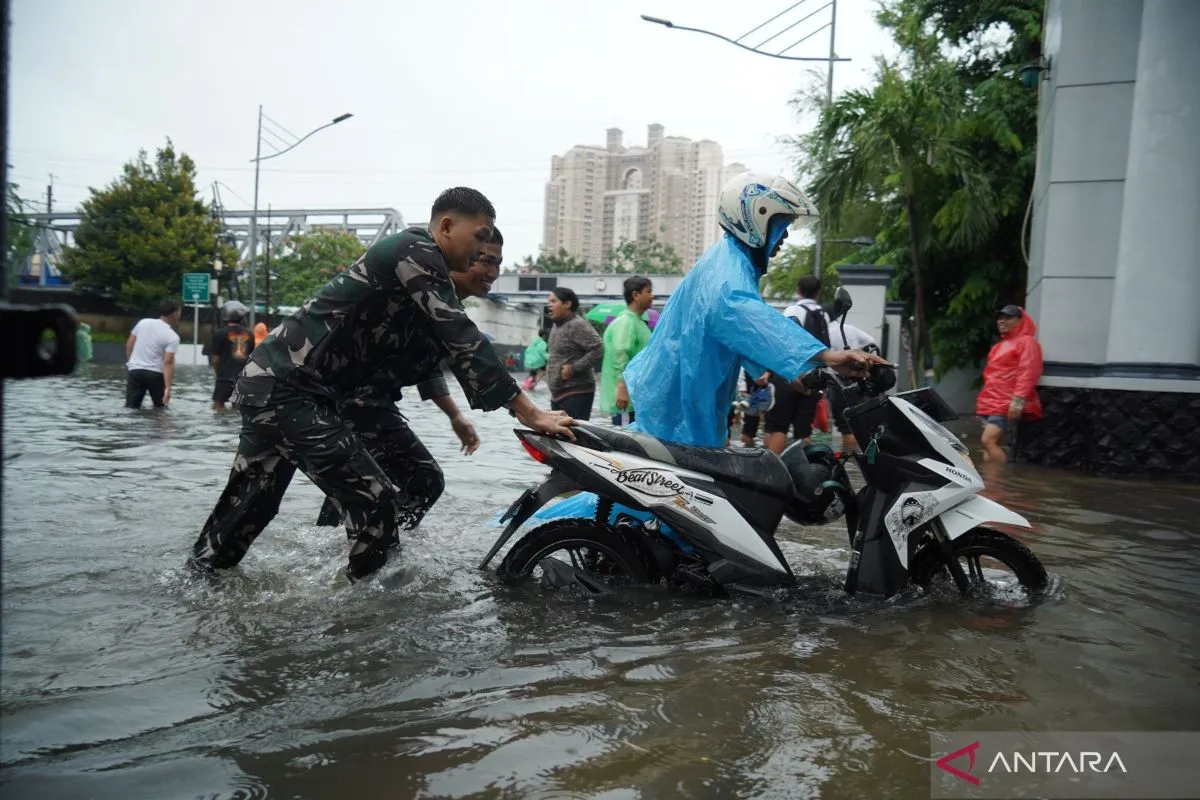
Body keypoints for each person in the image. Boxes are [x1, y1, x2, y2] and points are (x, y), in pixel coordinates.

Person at [189, 188, 574, 583]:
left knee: (251, 505)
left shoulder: (422, 267)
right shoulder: (415, 249)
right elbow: (461, 336)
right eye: (478, 237)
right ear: (446, 226)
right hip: (289, 388)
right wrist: (531, 412)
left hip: (293, 389)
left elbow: (453, 349)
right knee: (374, 501)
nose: (481, 253)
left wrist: (464, 414)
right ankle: (368, 611)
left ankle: (197, 584)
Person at [534, 171, 885, 526]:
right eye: (781, 225)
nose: (785, 237)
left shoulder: (731, 264)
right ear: (757, 221)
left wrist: (797, 371)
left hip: (689, 394)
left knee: (675, 496)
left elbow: (737, 332)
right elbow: (741, 316)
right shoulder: (728, 273)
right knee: (675, 500)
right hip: (682, 399)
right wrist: (826, 355)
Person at [314, 228, 505, 531]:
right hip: (355, 400)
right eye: (483, 260)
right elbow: (471, 355)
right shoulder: (423, 294)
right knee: (424, 480)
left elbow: (426, 365)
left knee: (357, 488)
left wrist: (455, 415)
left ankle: (336, 551)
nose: (492, 273)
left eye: (498, 264)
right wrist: (531, 414)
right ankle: (380, 551)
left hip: (361, 402)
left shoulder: (443, 302)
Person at [763, 275, 831, 453]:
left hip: (789, 374)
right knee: (804, 428)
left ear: (798, 290)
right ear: (818, 292)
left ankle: (770, 470)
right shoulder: (824, 314)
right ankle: (805, 469)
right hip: (814, 377)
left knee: (778, 426)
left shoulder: (793, 310)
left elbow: (781, 341)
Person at [976, 304, 1043, 463]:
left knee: (988, 441)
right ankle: (991, 485)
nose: (1002, 321)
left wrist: (1017, 402)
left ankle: (1002, 481)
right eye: (1000, 317)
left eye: (1008, 317)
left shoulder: (1027, 342)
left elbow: (1028, 373)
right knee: (989, 446)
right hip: (990, 403)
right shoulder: (998, 347)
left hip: (1005, 403)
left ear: (1021, 321)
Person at [599, 275, 654, 427]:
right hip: (626, 399)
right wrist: (622, 387)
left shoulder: (638, 322)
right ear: (635, 295)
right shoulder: (626, 322)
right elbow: (621, 354)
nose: (652, 296)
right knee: (626, 440)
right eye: (648, 291)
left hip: (637, 397)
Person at [545, 287, 604, 421]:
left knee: (573, 438)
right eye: (549, 301)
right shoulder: (557, 325)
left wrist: (574, 368)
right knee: (559, 437)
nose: (549, 304)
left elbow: (598, 348)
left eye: (554, 301)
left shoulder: (578, 325)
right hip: (558, 393)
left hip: (576, 392)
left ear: (567, 304)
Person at [125, 298, 181, 409]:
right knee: (161, 408)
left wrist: (131, 363)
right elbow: (168, 362)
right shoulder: (172, 336)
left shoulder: (143, 323)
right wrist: (168, 388)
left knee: (131, 407)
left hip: (135, 371)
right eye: (179, 311)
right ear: (174, 313)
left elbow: (130, 344)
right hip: (155, 374)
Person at [204, 300, 255, 411]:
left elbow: (215, 360)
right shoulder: (250, 335)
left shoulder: (219, 334)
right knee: (238, 411)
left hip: (224, 378)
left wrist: (219, 376)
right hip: (243, 381)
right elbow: (251, 361)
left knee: (217, 409)